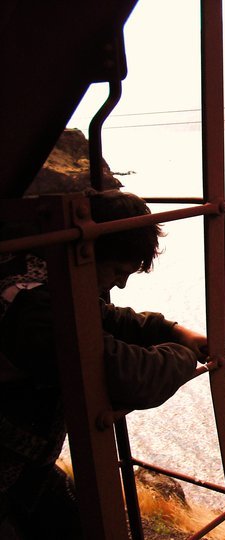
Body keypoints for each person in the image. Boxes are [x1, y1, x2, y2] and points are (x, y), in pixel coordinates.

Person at [0, 189, 207, 539]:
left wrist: (169, 329)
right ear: (88, 251)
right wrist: (186, 355)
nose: (121, 283)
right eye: (118, 270)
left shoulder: (33, 275)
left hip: (23, 464)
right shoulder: (34, 310)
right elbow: (131, 375)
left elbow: (106, 317)